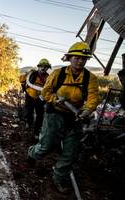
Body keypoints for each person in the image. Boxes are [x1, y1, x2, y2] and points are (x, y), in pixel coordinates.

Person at [27, 41, 99, 193]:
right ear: (70, 58)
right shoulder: (58, 74)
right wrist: (55, 99)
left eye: (83, 59)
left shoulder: (90, 78)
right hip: (54, 114)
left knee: (71, 152)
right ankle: (32, 153)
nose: (80, 61)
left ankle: (59, 178)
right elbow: (45, 92)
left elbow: (93, 98)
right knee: (46, 147)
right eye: (77, 57)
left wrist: (86, 111)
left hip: (75, 117)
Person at [19, 58, 51, 138]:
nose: (43, 68)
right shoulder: (33, 74)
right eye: (41, 66)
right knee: (29, 111)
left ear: (47, 68)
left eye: (45, 67)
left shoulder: (49, 78)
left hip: (40, 98)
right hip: (30, 96)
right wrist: (27, 73)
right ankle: (29, 124)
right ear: (39, 67)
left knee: (40, 115)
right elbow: (21, 79)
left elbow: (50, 88)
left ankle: (36, 131)